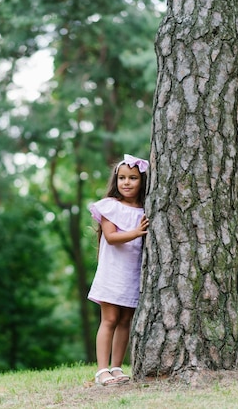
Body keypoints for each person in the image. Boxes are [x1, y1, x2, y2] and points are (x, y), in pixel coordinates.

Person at [88, 154, 149, 386]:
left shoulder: (145, 208)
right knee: (110, 319)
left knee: (126, 320)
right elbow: (112, 237)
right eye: (122, 178)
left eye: (133, 178)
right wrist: (135, 232)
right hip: (112, 272)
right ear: (116, 181)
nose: (126, 182)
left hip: (132, 274)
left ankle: (117, 366)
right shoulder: (109, 207)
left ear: (142, 181)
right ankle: (102, 370)